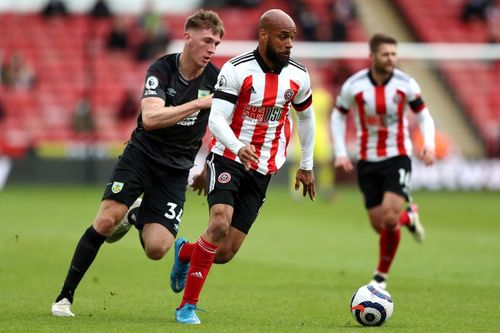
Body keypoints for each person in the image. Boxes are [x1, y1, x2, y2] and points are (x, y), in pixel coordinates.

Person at [50, 9, 225, 317]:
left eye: (217, 43)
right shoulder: (162, 69)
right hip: (141, 156)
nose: (212, 49)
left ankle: (135, 217)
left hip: (176, 169)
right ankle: (65, 296)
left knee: (157, 249)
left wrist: (208, 166)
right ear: (187, 37)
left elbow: (226, 127)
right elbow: (151, 118)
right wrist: (198, 103)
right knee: (105, 220)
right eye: (207, 40)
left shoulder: (218, 80)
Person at [170, 9, 316, 324]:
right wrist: (238, 147)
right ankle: (187, 307)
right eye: (283, 36)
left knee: (224, 253)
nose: (290, 43)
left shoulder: (299, 75)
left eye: (292, 37)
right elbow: (218, 117)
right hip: (229, 155)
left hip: (265, 165)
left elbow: (305, 116)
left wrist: (306, 164)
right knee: (220, 222)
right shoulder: (237, 70)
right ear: (264, 35)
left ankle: (184, 252)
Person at [330, 33, 435, 290]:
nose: (391, 59)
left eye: (393, 54)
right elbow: (338, 116)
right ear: (372, 56)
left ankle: (380, 277)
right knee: (381, 226)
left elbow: (424, 116)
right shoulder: (353, 85)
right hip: (368, 160)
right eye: (386, 54)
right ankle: (409, 219)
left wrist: (428, 144)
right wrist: (341, 152)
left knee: (389, 217)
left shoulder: (406, 84)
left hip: (398, 156)